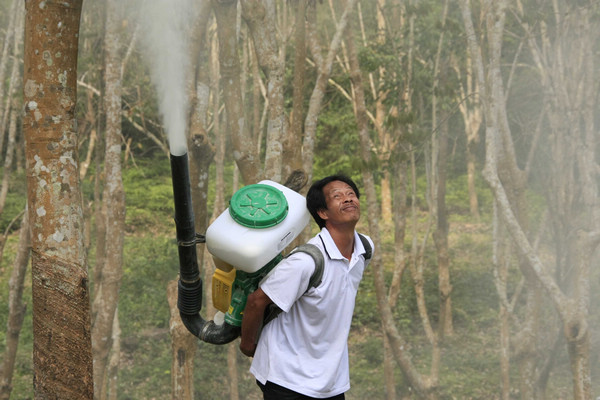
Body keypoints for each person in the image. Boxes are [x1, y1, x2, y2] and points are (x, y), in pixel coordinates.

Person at [239, 174, 374, 400]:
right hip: (286, 376)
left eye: (351, 194)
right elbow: (256, 301)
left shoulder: (364, 249)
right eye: (338, 196)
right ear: (323, 213)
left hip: (330, 379)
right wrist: (248, 346)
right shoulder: (306, 261)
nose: (349, 199)